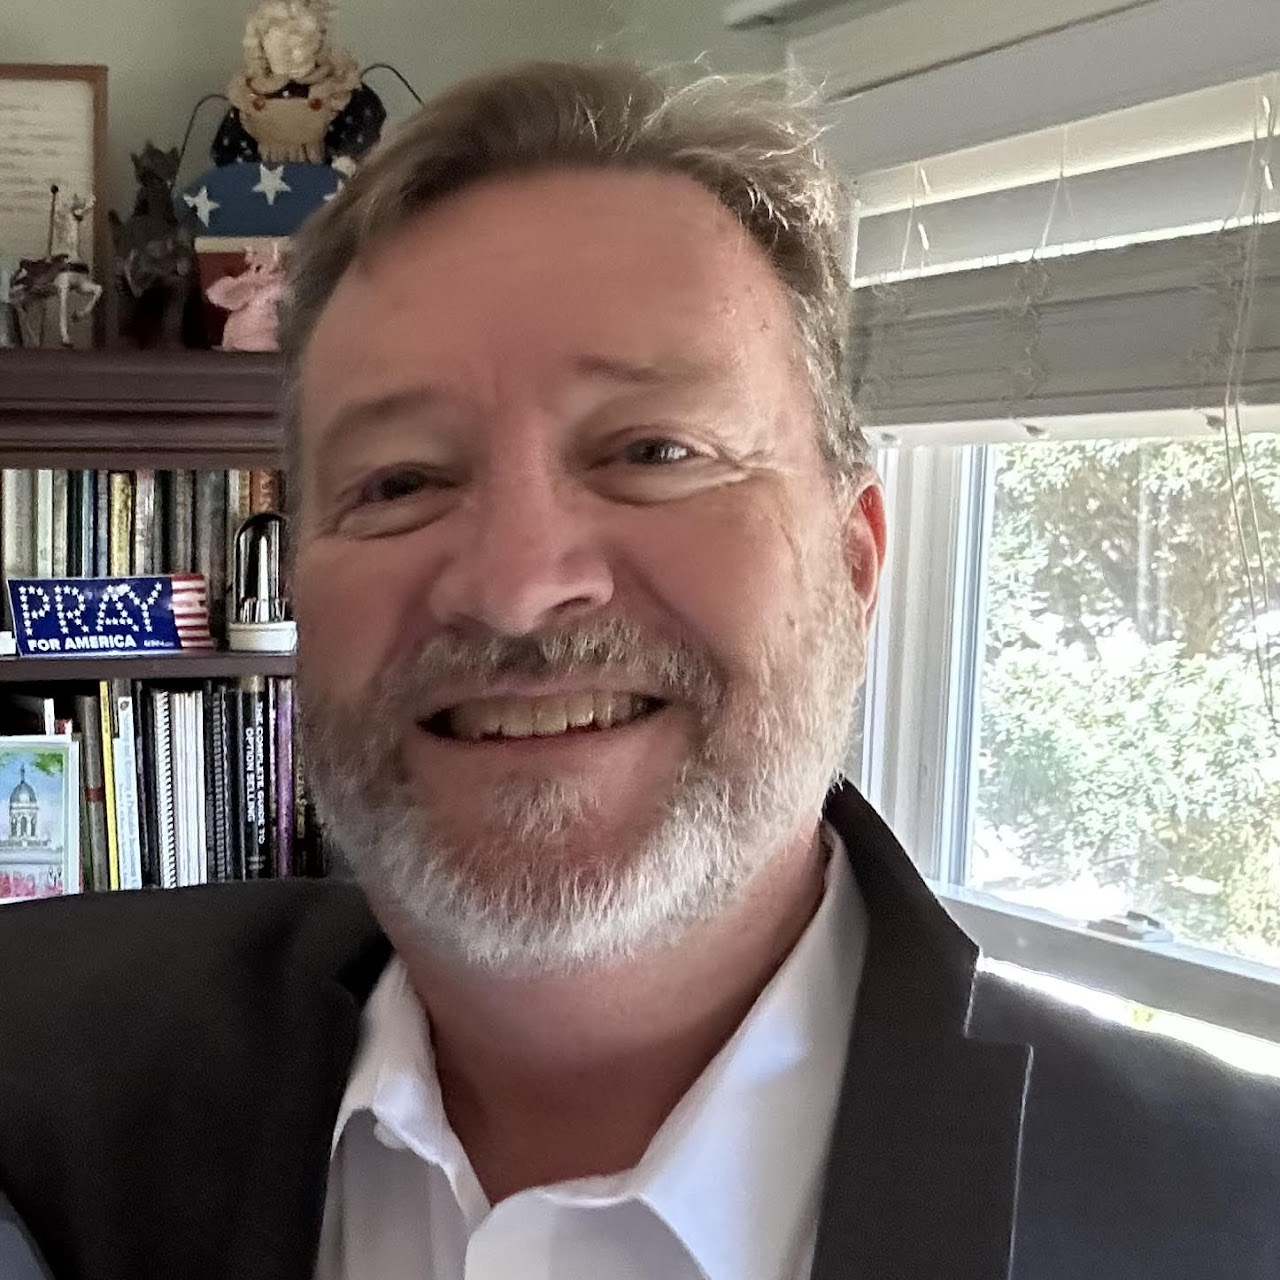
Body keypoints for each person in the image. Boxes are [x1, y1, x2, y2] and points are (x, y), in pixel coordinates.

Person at [0, 59, 1277, 1280]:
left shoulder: (1231, 1212)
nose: (513, 585)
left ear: (852, 560)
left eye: (652, 451)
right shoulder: (43, 1071)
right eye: (398, 481)